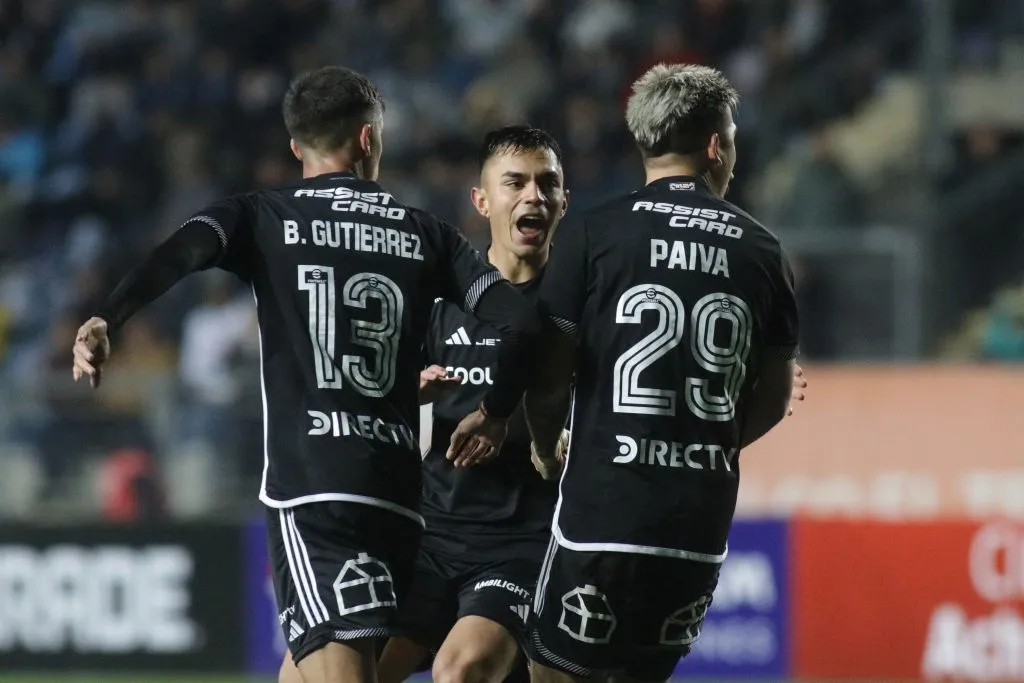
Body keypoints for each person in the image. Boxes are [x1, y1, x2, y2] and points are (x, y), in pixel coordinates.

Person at [70, 66, 544, 683]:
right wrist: (497, 410)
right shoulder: (427, 234)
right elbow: (524, 326)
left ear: (296, 147)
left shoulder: (263, 216)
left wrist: (110, 314)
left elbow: (180, 251)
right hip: (401, 502)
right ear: (370, 139)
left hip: (316, 491)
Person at [454, 63, 801, 682]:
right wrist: (699, 444)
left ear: (644, 142)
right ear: (717, 145)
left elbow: (550, 372)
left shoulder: (596, 231)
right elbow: (775, 400)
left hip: (603, 512)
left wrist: (544, 444)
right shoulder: (764, 252)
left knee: (556, 672)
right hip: (697, 525)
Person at [374, 125, 568, 683]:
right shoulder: (439, 304)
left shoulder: (580, 311)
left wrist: (572, 436)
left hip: (524, 541)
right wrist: (407, 393)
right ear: (482, 202)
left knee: (461, 669)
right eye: (516, 183)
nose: (534, 195)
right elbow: (379, 400)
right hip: (431, 534)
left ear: (563, 202)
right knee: (345, 669)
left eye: (547, 183)